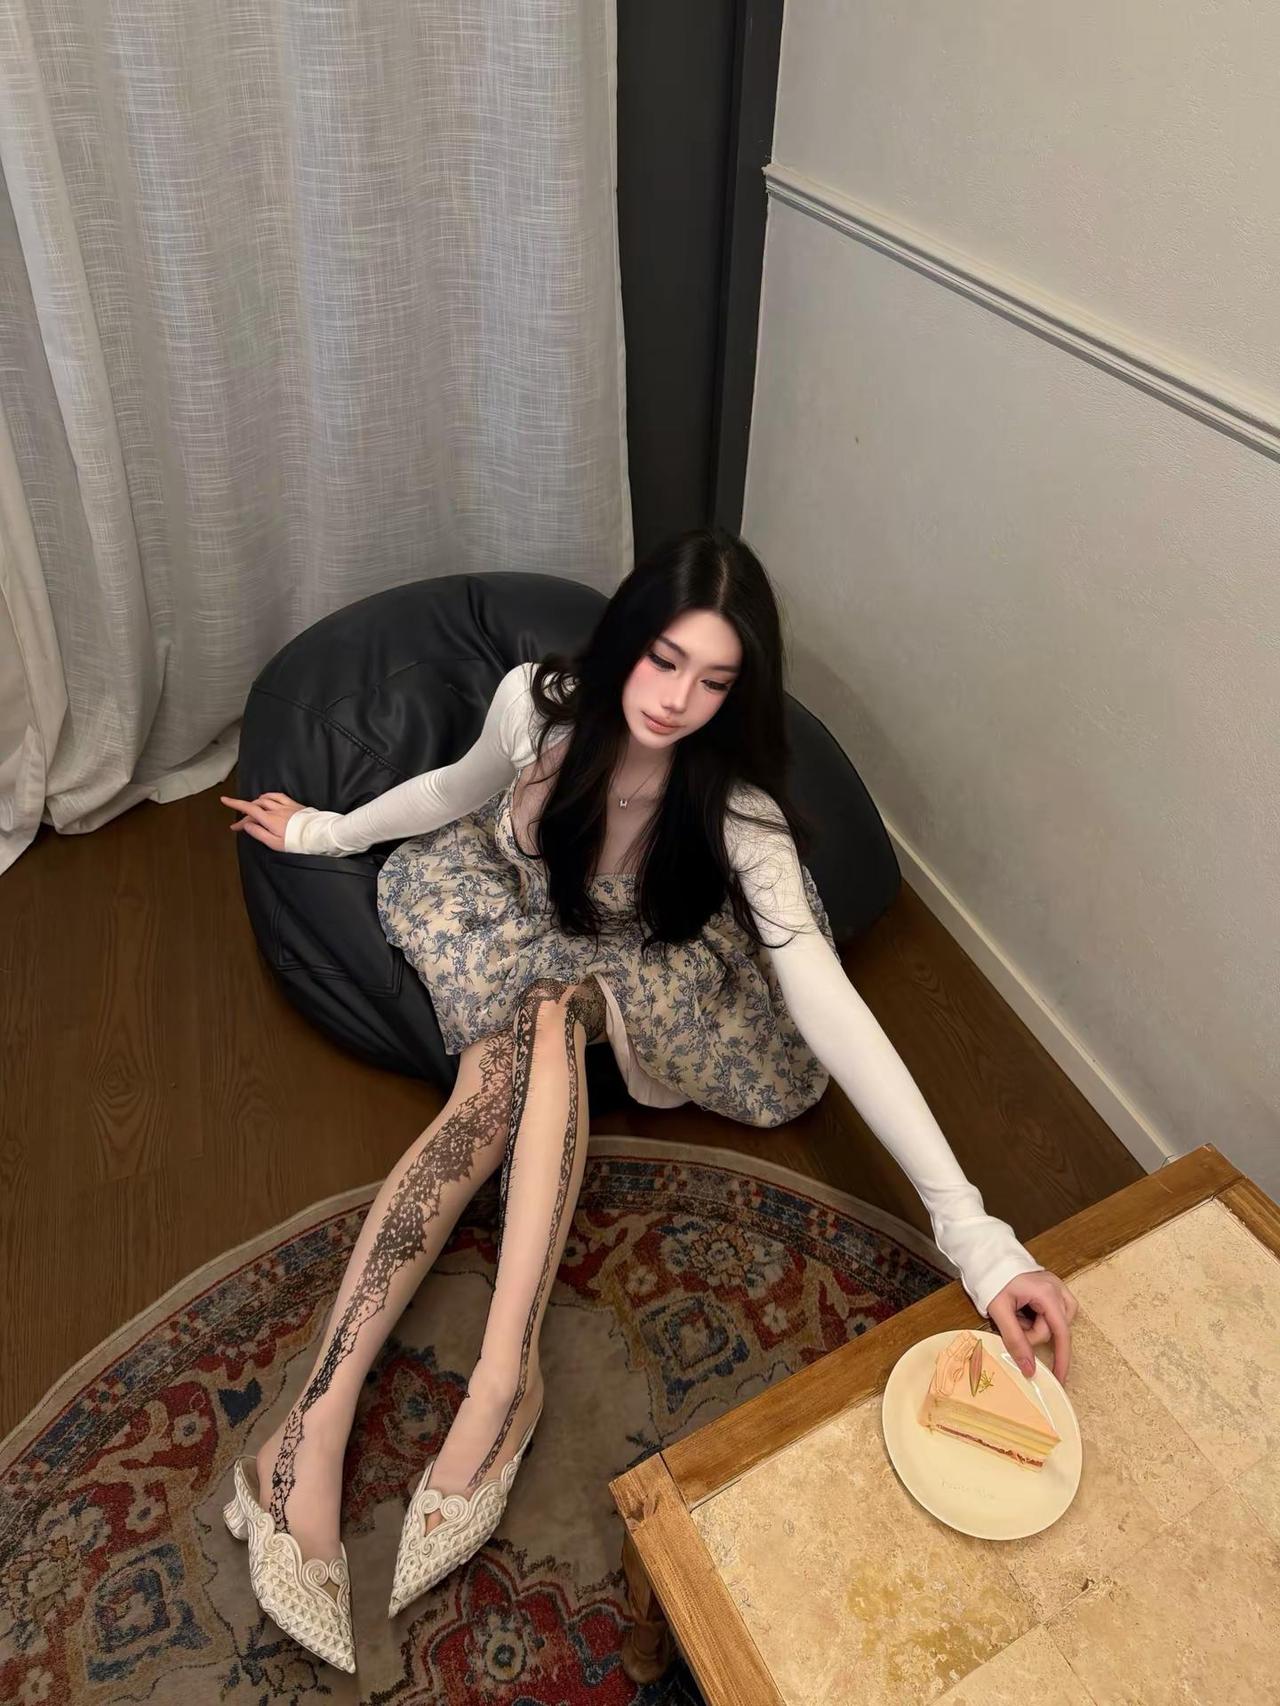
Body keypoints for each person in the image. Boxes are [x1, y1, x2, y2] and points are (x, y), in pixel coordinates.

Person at [219, 527, 1077, 1670]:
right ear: (626, 637)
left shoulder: (738, 809)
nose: (676, 699)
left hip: (639, 958)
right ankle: (322, 1423)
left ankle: (484, 1384)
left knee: (550, 1011)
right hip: (501, 902)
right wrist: (324, 830)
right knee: (503, 1067)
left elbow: (831, 1009)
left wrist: (977, 1236)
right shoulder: (536, 705)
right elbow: (448, 790)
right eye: (664, 659)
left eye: (713, 680)